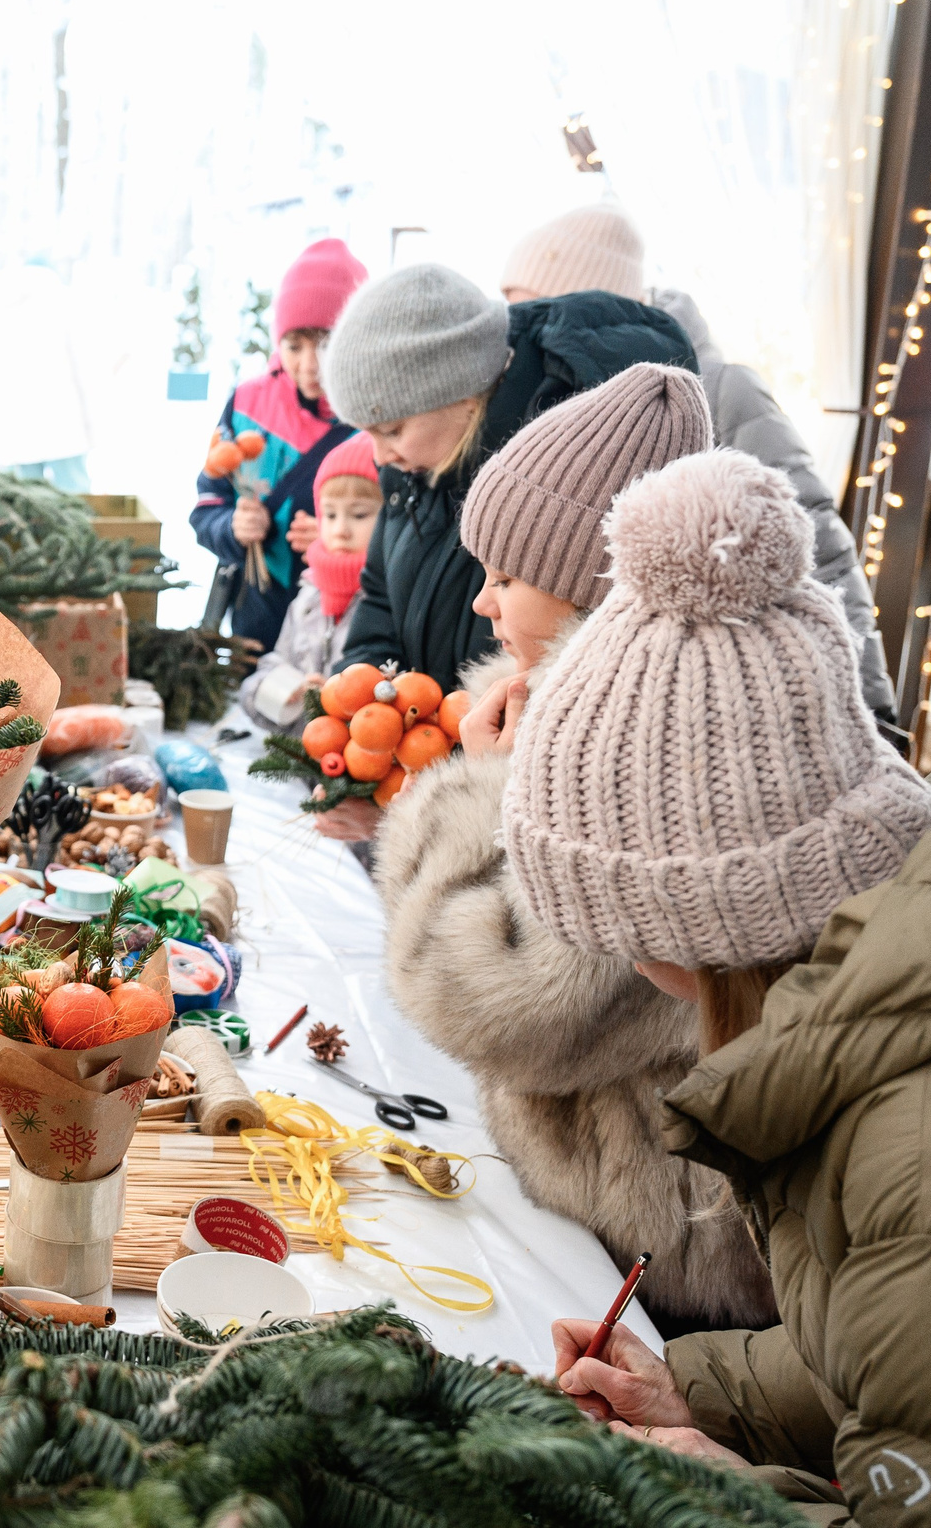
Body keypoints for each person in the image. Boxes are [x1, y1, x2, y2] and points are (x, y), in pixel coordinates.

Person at [511, 449, 931, 1518]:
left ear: (690, 922)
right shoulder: (917, 991)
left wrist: (734, 1499)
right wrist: (700, 1390)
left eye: (610, 921)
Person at [373, 364, 775, 1334]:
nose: (481, 603)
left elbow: (479, 997)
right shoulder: (608, 706)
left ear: (596, 593)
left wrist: (477, 789)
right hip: (628, 1220)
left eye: (505, 578)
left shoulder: (634, 753)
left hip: (660, 1254)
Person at [500, 201, 895, 722]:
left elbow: (817, 550)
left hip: (720, 700)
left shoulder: (722, 389)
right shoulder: (546, 393)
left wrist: (868, 709)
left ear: (589, 296)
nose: (519, 329)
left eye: (531, 307)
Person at [321, 262, 695, 690]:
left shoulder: (559, 476)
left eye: (391, 429)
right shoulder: (409, 474)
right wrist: (364, 689)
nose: (380, 454)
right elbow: (381, 597)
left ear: (461, 394)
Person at [190, 238, 366, 647]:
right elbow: (207, 503)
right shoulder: (248, 405)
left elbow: (398, 539)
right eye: (294, 345)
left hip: (339, 635)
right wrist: (231, 527)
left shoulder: (376, 420)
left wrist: (340, 539)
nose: (310, 364)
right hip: (255, 626)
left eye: (326, 343)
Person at [237, 434, 381, 730]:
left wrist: (339, 698)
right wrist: (285, 691)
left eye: (359, 514)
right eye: (329, 514)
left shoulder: (387, 601)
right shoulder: (309, 592)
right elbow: (270, 668)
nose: (340, 530)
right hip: (297, 762)